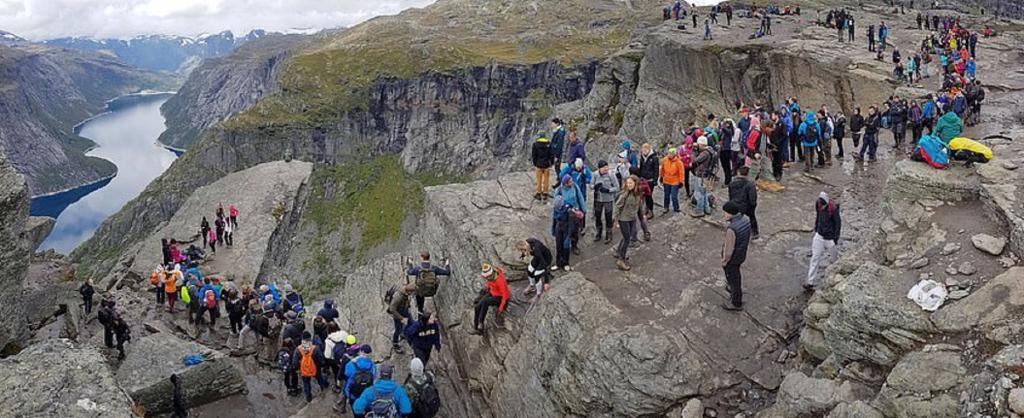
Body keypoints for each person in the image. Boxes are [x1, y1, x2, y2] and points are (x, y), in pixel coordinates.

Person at [806, 192, 842, 291]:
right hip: (819, 235)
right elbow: (818, 216)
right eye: (820, 205)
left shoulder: (833, 209)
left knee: (834, 258)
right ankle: (810, 282)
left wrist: (835, 239)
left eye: (823, 205)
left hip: (830, 238)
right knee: (815, 258)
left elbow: (838, 225)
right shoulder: (818, 203)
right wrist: (816, 228)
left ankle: (838, 275)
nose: (821, 207)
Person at [721, 201, 751, 311]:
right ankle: (733, 290)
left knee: (734, 279)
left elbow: (728, 250)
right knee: (736, 276)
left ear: (730, 213)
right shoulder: (745, 220)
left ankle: (736, 303)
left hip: (733, 259)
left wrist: (724, 261)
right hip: (741, 254)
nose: (724, 215)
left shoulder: (732, 229)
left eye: (725, 213)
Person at [470, 264, 510, 335]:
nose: (487, 279)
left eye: (488, 277)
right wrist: (488, 287)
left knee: (485, 301)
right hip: (493, 292)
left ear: (491, 274)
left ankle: (481, 323)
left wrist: (501, 308)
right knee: (477, 307)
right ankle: (476, 328)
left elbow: (505, 295)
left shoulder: (500, 280)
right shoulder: (491, 276)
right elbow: (489, 283)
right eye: (486, 277)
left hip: (500, 298)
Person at [613, 175, 643, 271]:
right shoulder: (625, 195)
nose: (628, 185)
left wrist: (642, 216)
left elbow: (639, 206)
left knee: (627, 236)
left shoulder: (638, 194)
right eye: (627, 183)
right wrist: (616, 220)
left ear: (635, 183)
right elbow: (617, 206)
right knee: (627, 239)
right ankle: (621, 260)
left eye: (631, 183)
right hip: (624, 219)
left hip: (632, 218)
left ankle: (619, 252)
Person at [553, 174, 585, 256]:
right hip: (565, 213)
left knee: (575, 229)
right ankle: (565, 246)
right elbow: (556, 203)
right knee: (566, 230)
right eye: (570, 181)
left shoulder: (574, 187)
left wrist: (583, 209)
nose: (572, 182)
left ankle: (574, 245)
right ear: (565, 183)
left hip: (575, 211)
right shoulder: (559, 190)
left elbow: (580, 197)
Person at [293, 332, 328, 402]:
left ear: (302, 339)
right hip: (315, 368)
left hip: (304, 369)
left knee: (306, 384)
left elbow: (295, 362)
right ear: (310, 339)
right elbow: (321, 360)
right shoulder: (315, 348)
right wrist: (319, 366)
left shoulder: (298, 349)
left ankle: (308, 398)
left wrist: (298, 368)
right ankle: (324, 386)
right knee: (319, 378)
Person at [592, 160, 619, 244]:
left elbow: (617, 187)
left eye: (606, 167)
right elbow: (590, 185)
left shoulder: (611, 174)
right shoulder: (595, 174)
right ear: (599, 168)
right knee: (598, 216)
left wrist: (608, 190)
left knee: (608, 217)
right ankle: (599, 233)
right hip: (598, 199)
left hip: (608, 199)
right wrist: (595, 187)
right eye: (604, 167)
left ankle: (609, 233)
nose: (606, 169)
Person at [728, 167, 759, 240]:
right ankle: (755, 232)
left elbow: (730, 195)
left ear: (739, 173)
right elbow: (752, 198)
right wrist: (753, 206)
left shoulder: (732, 183)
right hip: (747, 206)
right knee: (752, 218)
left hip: (735, 205)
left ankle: (737, 232)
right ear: (747, 174)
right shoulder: (750, 184)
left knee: (736, 219)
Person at [345, 345, 377, 410]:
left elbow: (346, 373)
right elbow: (374, 376)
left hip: (354, 394)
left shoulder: (351, 364)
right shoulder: (372, 365)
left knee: (356, 410)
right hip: (366, 394)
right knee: (367, 409)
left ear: (361, 351)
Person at [690, 137, 714, 218]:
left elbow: (694, 160)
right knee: (704, 193)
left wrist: (693, 152)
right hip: (705, 175)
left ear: (701, 144)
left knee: (699, 193)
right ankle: (707, 209)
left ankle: (700, 210)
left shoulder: (705, 153)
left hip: (701, 175)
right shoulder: (710, 150)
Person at [388, 283, 415, 351]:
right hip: (398, 314)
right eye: (412, 292)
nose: (412, 294)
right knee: (398, 329)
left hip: (404, 310)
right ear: (409, 291)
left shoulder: (405, 293)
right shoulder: (398, 297)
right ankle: (395, 344)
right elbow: (392, 309)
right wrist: (401, 318)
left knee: (411, 323)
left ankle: (404, 334)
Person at [659, 148, 685, 214]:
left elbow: (681, 172)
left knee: (674, 196)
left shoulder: (679, 162)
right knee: (666, 195)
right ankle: (666, 207)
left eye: (671, 153)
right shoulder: (665, 160)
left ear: (674, 154)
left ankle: (676, 208)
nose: (669, 155)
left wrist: (681, 181)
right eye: (669, 153)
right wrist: (661, 177)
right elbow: (662, 169)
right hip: (666, 180)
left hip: (675, 181)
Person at [531, 131, 554, 201]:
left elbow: (534, 155)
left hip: (539, 164)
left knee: (539, 179)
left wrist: (535, 163)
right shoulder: (549, 144)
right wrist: (551, 163)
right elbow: (551, 155)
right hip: (546, 164)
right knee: (546, 179)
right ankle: (545, 193)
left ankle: (538, 193)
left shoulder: (535, 144)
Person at [637, 143, 659, 215]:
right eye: (643, 149)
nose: (644, 151)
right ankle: (647, 208)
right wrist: (639, 177)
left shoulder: (654, 158)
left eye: (645, 149)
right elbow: (641, 168)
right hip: (643, 179)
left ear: (649, 149)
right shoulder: (642, 158)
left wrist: (655, 180)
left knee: (649, 195)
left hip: (650, 180)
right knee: (645, 195)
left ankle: (650, 210)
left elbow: (656, 170)